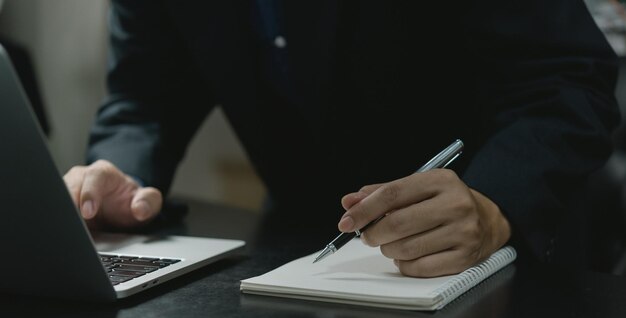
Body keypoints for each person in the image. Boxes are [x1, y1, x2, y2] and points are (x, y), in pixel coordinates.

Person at [63, 0, 620, 277]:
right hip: (304, 263)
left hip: (501, 268)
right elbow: (142, 96)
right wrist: (120, 176)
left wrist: (495, 204)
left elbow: (568, 82)